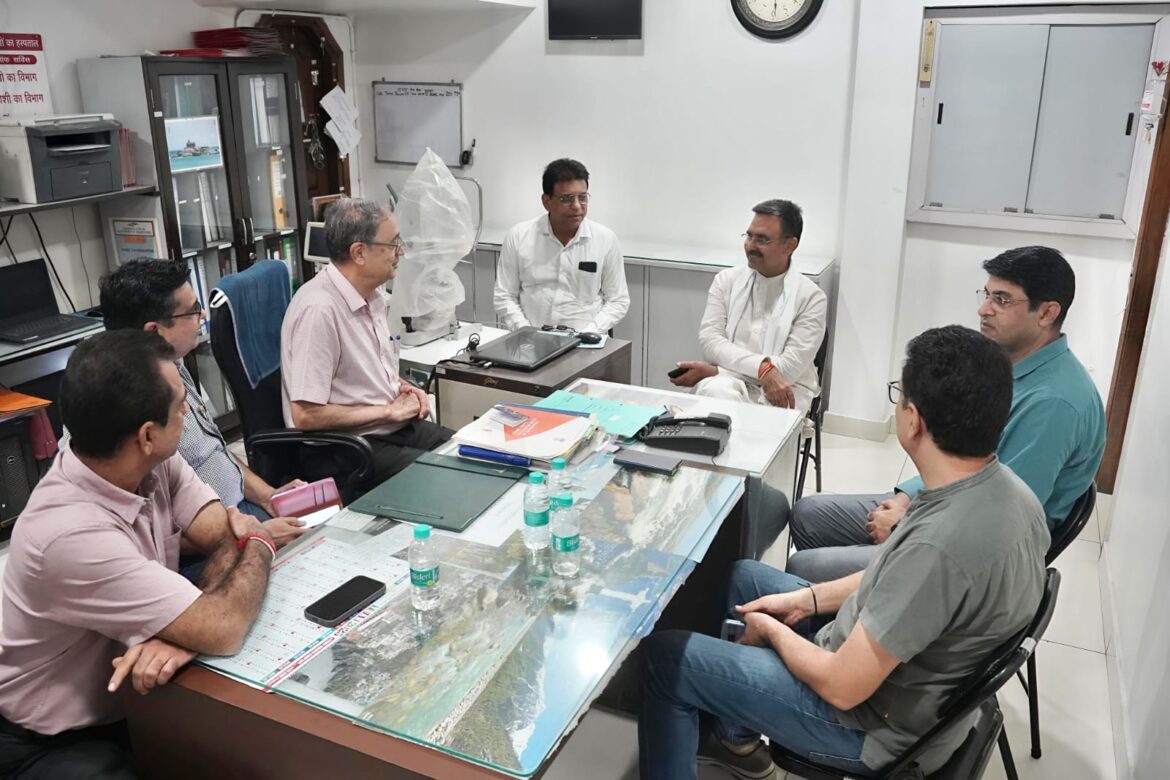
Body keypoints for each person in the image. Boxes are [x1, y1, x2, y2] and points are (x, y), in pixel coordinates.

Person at [639, 325, 1049, 779]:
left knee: (664, 658)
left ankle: (712, 712)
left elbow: (842, 686)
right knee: (744, 577)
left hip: (866, 726)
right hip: (892, 676)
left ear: (913, 419)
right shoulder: (1011, 493)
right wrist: (806, 600)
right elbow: (894, 580)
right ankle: (738, 742)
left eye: (899, 395)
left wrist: (773, 633)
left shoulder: (939, 546)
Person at [0, 331, 274, 778]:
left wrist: (182, 632)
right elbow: (225, 624)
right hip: (55, 739)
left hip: (136, 695)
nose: (189, 413)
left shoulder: (148, 459)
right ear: (147, 434)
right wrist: (260, 542)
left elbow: (221, 537)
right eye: (181, 406)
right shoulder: (70, 534)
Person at [787, 246, 1106, 582]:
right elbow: (961, 459)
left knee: (805, 567)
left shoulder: (1055, 403)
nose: (983, 309)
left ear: (1047, 313)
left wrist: (904, 524)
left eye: (1001, 300)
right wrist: (907, 498)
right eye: (987, 295)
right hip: (946, 504)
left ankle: (836, 608)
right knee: (808, 514)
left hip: (972, 556)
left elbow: (998, 518)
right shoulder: (1010, 368)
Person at [98, 259, 308, 567]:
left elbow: (213, 451)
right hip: (207, 550)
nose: (204, 316)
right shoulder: (120, 407)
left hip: (241, 516)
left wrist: (269, 497)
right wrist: (254, 536)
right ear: (154, 332)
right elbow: (150, 539)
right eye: (193, 310)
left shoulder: (171, 363)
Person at [281, 197, 452, 484]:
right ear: (359, 252)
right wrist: (388, 411)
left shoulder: (372, 295)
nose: (401, 251)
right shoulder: (319, 310)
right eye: (393, 244)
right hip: (344, 447)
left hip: (386, 428)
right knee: (445, 479)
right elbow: (306, 415)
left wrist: (403, 387)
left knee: (469, 453)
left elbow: (363, 371)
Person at [669, 199, 826, 415]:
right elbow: (710, 342)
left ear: (790, 245)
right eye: (749, 236)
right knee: (717, 391)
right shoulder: (726, 281)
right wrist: (764, 368)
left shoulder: (811, 298)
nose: (751, 246)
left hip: (786, 391)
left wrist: (717, 370)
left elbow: (787, 372)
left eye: (762, 239)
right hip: (727, 385)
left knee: (723, 397)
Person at [493, 158, 629, 333]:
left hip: (586, 341)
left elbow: (618, 300)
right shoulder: (519, 236)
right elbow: (504, 296)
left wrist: (588, 334)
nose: (577, 206)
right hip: (532, 340)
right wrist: (525, 332)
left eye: (582, 197)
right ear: (546, 201)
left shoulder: (605, 239)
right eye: (566, 199)